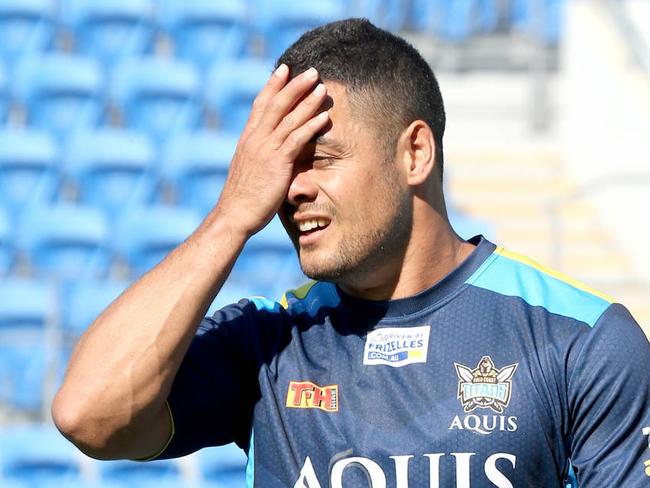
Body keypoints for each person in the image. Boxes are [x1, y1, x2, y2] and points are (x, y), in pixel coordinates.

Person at [52, 19, 650, 487]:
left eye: (321, 160)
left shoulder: (580, 338)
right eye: (282, 166)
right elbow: (89, 415)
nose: (291, 189)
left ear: (415, 153)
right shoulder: (269, 341)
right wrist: (231, 215)